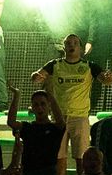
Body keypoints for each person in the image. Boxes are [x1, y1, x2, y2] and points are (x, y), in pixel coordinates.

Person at [35, 34, 100, 164]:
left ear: (81, 49)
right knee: (59, 158)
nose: (72, 45)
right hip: (59, 118)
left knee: (82, 158)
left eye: (75, 43)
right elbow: (37, 75)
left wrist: (108, 77)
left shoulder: (89, 66)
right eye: (68, 43)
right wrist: (36, 76)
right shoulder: (55, 64)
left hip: (80, 117)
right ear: (64, 47)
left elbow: (105, 78)